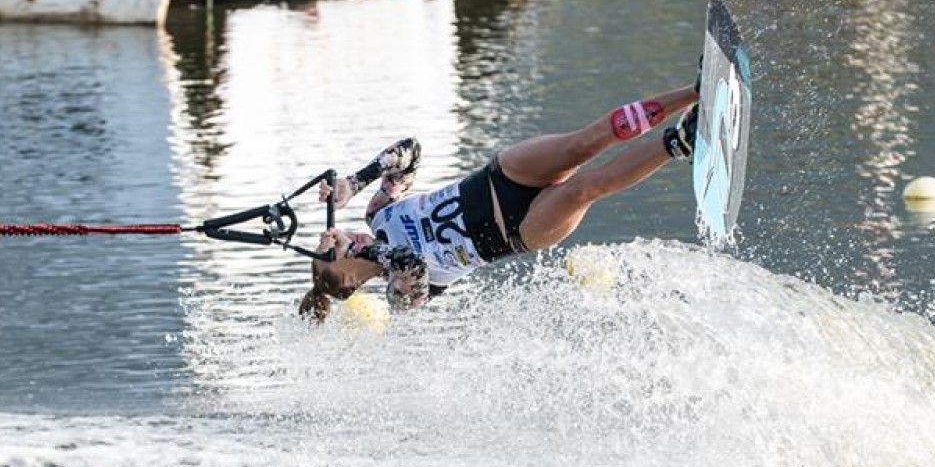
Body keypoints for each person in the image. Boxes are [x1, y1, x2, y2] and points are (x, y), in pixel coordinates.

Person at [298, 86, 701, 320]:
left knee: (586, 141)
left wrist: (356, 181)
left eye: (326, 239)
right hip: (519, 230)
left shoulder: (379, 214)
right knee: (585, 188)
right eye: (329, 250)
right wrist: (365, 247)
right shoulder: (400, 295)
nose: (332, 236)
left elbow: (410, 151)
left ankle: (695, 92)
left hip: (499, 178)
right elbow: (411, 264)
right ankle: (680, 141)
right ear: (349, 279)